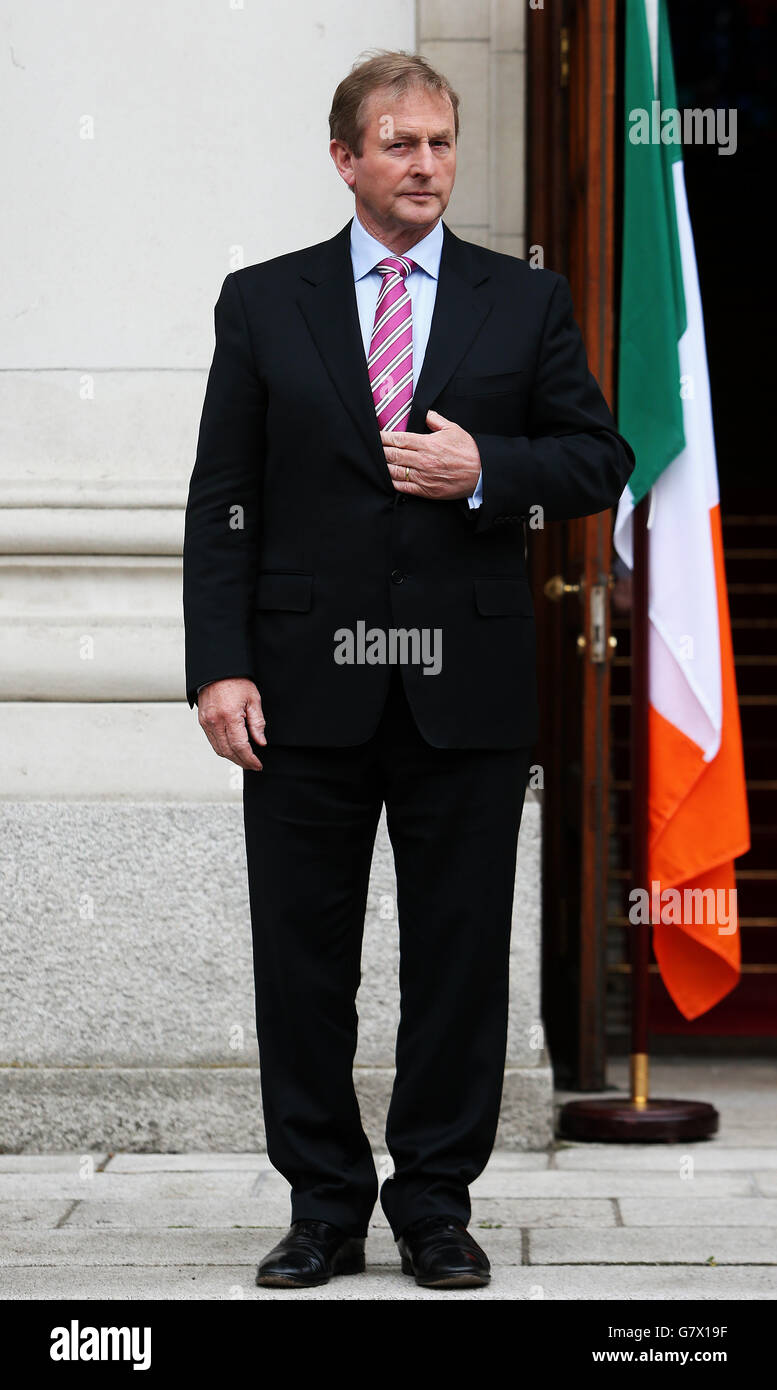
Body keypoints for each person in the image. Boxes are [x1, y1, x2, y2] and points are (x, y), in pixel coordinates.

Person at [182, 49, 635, 1290]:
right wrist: (217, 666)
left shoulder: (521, 300)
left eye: (440, 141)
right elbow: (224, 498)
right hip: (302, 690)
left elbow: (599, 457)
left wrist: (486, 467)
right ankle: (323, 1207)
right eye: (399, 144)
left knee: (457, 961)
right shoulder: (263, 301)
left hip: (467, 693)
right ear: (347, 159)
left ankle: (436, 1205)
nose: (427, 163)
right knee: (303, 961)